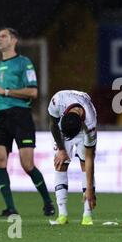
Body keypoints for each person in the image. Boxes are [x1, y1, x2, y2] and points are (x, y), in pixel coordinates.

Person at [0, 27, 54, 217]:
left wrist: (5, 91)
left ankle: (48, 202)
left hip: (21, 116)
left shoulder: (24, 63)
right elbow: (0, 97)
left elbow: (33, 92)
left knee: (27, 164)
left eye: (4, 36)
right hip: (1, 117)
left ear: (14, 40)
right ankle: (10, 208)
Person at [47, 90, 97, 226]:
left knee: (84, 166)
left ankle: (87, 215)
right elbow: (52, 124)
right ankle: (62, 214)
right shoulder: (57, 101)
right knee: (60, 163)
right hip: (62, 127)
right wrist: (61, 149)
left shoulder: (90, 124)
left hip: (81, 131)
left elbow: (89, 158)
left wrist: (90, 191)